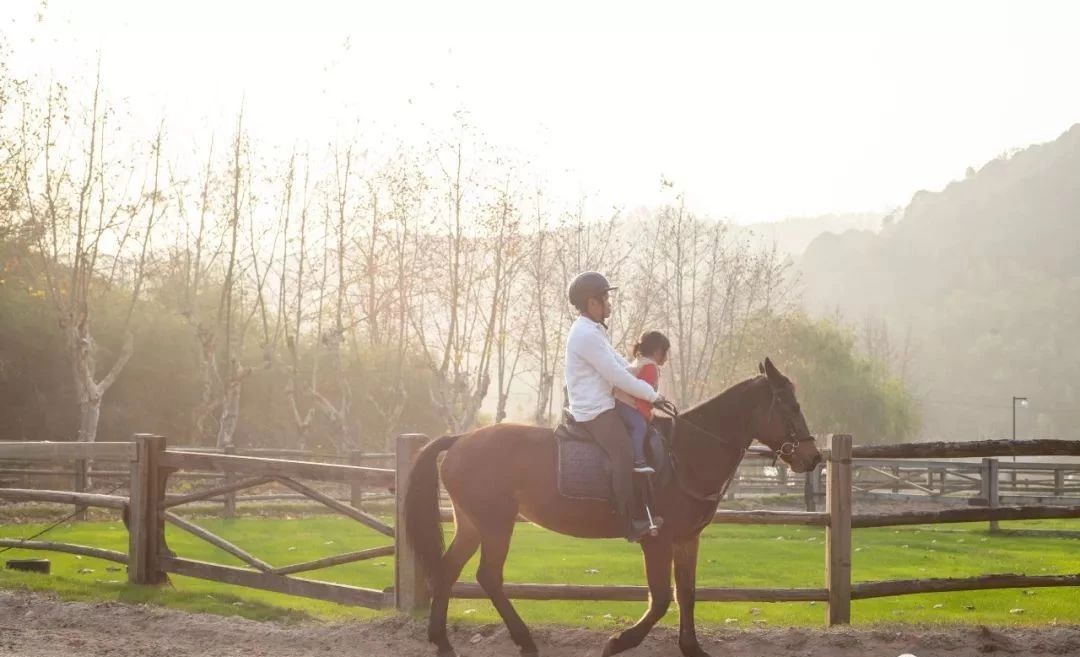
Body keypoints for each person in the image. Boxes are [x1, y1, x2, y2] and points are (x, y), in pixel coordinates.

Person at [564, 271, 665, 541]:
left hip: (603, 403)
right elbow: (616, 375)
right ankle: (627, 523)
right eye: (605, 299)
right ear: (592, 303)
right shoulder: (585, 334)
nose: (609, 304)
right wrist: (652, 396)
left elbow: (620, 364)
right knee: (623, 453)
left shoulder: (593, 331)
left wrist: (646, 382)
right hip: (594, 410)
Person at [613, 330, 671, 475]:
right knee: (639, 426)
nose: (667, 358)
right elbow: (642, 397)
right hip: (626, 404)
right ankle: (638, 461)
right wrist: (647, 415)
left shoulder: (641, 362)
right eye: (666, 353)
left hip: (621, 401)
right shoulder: (650, 367)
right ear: (658, 352)